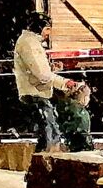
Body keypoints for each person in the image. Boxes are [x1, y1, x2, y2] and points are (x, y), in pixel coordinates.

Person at [13, 10, 79, 151]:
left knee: (47, 132)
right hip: (35, 92)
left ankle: (45, 156)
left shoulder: (30, 42)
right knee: (51, 133)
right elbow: (42, 75)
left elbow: (38, 70)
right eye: (47, 28)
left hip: (34, 91)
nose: (49, 33)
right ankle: (49, 158)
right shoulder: (30, 44)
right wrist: (63, 83)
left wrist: (50, 69)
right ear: (39, 27)